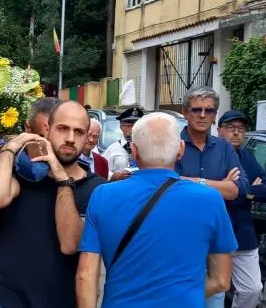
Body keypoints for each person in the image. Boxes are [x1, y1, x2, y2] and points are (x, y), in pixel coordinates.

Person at [76, 112, 237, 308]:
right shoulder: (210, 199)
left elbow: (86, 275)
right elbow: (221, 280)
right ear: (181, 150)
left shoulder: (103, 196)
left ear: (134, 151)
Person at [0, 100, 105, 308]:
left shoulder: (97, 189)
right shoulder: (21, 176)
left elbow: (70, 245)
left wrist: (61, 179)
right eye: (63, 129)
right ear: (46, 130)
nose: (71, 139)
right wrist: (10, 149)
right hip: (8, 299)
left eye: (79, 132)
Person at [175, 87, 249, 308]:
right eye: (196, 109)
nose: (202, 115)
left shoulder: (225, 147)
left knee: (215, 296)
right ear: (185, 112)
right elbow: (170, 186)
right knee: (180, 295)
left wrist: (195, 181)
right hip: (181, 234)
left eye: (209, 110)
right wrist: (221, 185)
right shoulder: (173, 145)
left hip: (215, 235)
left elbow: (239, 188)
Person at [218, 110, 266, 308]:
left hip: (243, 232)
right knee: (214, 290)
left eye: (240, 129)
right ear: (219, 130)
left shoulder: (247, 157)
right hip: (216, 231)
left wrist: (236, 189)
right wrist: (247, 191)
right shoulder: (212, 155)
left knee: (252, 289)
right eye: (231, 128)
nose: (236, 133)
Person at [102, 107, 143, 181]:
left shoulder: (146, 147)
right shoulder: (113, 149)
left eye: (136, 126)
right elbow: (101, 170)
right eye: (129, 126)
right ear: (121, 127)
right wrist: (115, 176)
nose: (133, 129)